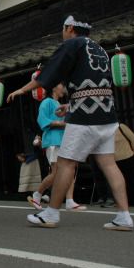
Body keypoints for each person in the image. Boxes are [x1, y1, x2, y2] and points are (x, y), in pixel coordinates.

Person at [7, 13, 134, 231]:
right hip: (106, 115)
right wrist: (70, 105)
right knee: (109, 164)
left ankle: (51, 213)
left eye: (63, 29)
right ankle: (124, 216)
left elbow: (47, 74)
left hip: (85, 118)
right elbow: (95, 86)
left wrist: (22, 89)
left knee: (65, 163)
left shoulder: (73, 44)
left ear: (69, 28)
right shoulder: (100, 49)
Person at [28, 83, 86, 211]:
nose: (64, 88)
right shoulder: (46, 102)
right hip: (53, 140)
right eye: (62, 85)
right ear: (53, 87)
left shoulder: (60, 104)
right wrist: (62, 123)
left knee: (70, 168)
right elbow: (42, 120)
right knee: (56, 173)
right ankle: (37, 194)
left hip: (64, 140)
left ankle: (70, 200)